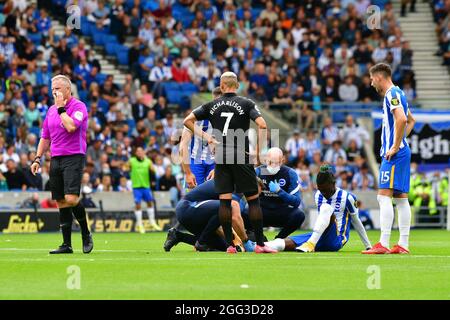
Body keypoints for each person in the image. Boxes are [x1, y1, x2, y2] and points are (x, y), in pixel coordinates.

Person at [183, 71, 276, 253]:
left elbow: (188, 121)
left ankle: (230, 246)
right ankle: (260, 245)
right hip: (241, 154)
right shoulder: (246, 103)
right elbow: (263, 125)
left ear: (222, 85)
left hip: (221, 156)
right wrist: (258, 153)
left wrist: (208, 137)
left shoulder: (211, 104)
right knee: (253, 200)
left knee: (224, 202)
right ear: (238, 86)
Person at [30, 75, 93, 254]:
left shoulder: (79, 107)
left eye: (57, 88)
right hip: (55, 158)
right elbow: (45, 137)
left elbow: (71, 126)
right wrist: (37, 158)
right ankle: (66, 244)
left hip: (74, 156)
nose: (54, 92)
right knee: (61, 201)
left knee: (71, 198)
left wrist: (61, 109)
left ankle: (85, 233)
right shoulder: (50, 111)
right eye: (52, 90)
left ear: (68, 89)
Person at [363, 62, 415, 254]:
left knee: (383, 197)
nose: (370, 83)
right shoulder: (400, 93)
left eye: (371, 79)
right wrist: (401, 142)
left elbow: (402, 119)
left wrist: (394, 145)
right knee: (401, 199)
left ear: (379, 77)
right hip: (402, 151)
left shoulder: (391, 94)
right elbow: (412, 120)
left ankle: (383, 244)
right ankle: (403, 244)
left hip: (395, 153)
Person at [264, 165, 372, 252]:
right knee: (280, 243)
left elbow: (356, 222)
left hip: (336, 239)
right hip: (319, 236)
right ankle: (255, 245)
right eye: (320, 190)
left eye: (325, 190)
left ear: (333, 184)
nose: (323, 193)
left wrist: (368, 246)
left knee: (326, 207)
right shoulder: (318, 195)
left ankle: (310, 244)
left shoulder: (347, 197)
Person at [163, 179, 255, 252]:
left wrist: (233, 241)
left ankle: (178, 236)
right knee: (229, 206)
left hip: (193, 214)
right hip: (187, 207)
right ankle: (201, 242)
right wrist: (245, 241)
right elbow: (231, 212)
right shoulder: (232, 186)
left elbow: (220, 221)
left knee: (222, 245)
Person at [251, 147, 305, 239]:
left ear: (282, 161)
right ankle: (259, 237)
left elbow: (296, 202)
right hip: (261, 211)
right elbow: (246, 196)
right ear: (265, 160)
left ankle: (279, 239)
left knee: (299, 215)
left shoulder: (289, 173)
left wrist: (280, 191)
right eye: (270, 162)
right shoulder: (258, 171)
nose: (273, 165)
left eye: (276, 163)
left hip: (281, 211)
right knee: (244, 211)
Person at [179, 87, 221, 189]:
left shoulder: (229, 118)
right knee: (194, 198)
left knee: (217, 198)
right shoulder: (197, 116)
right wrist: (188, 173)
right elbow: (183, 145)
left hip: (216, 163)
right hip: (196, 162)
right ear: (214, 100)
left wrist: (220, 168)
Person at [128, 146, 161, 233]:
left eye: (141, 151)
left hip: (146, 186)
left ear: (143, 152)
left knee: (150, 202)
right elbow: (125, 168)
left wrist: (152, 170)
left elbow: (153, 171)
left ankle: (152, 222)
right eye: (138, 151)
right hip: (136, 187)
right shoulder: (132, 161)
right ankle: (139, 224)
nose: (139, 153)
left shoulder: (148, 161)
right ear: (136, 153)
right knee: (138, 204)